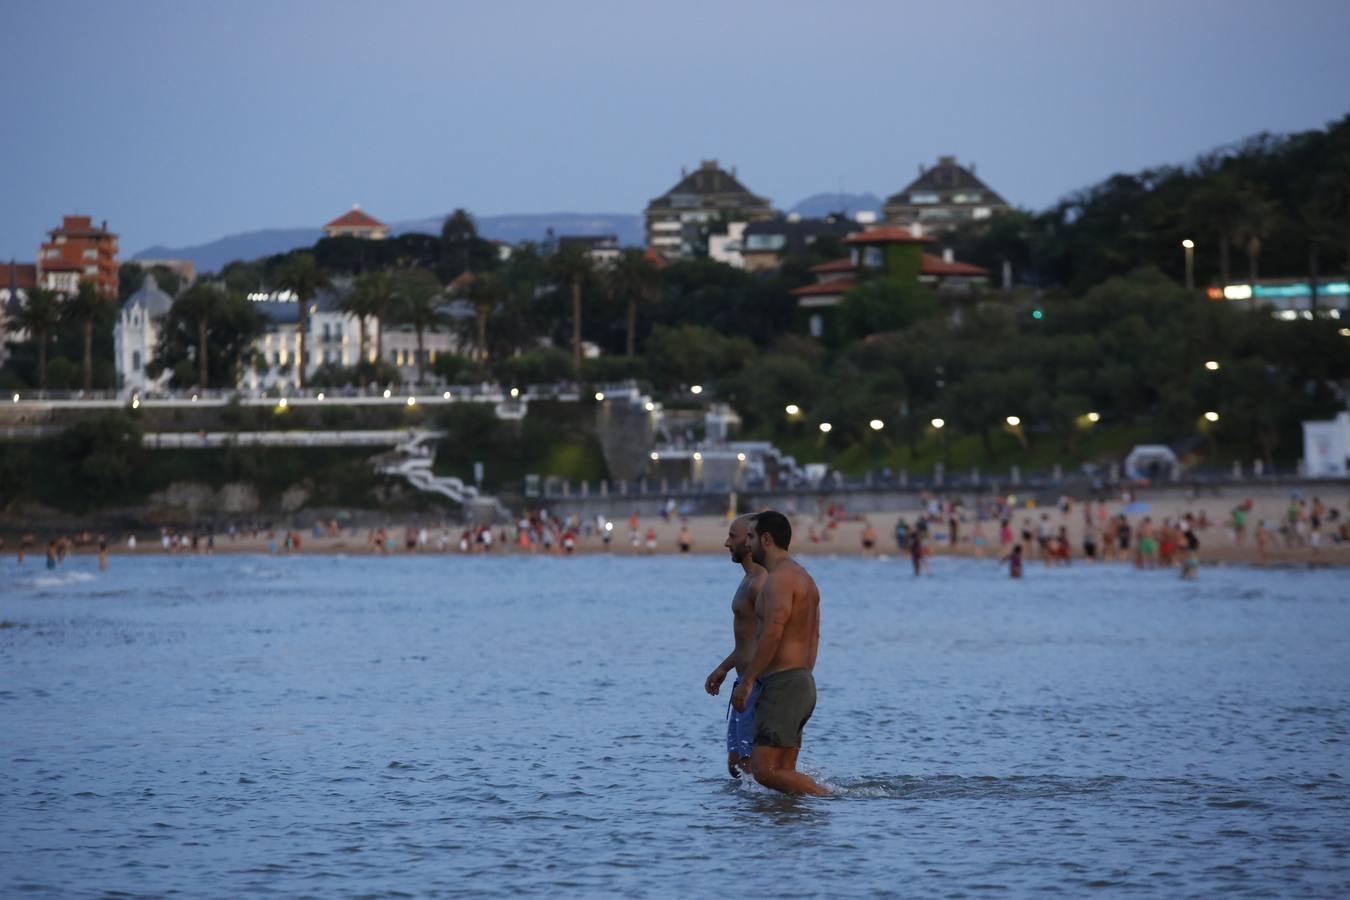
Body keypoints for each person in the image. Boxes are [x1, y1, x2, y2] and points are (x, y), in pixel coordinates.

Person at [731, 511, 827, 796]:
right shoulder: (803, 577)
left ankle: (832, 800)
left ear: (766, 539)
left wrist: (748, 680)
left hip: (784, 685)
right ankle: (788, 826)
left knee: (765, 771)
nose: (747, 545)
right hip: (799, 682)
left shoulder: (779, 580)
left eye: (750, 537)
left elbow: (772, 633)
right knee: (783, 774)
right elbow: (815, 635)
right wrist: (801, 676)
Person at [704, 516, 768, 778]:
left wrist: (752, 680)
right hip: (744, 679)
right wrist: (724, 668)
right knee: (736, 762)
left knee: (749, 760)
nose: (726, 543)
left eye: (733, 536)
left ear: (751, 539)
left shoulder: (761, 582)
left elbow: (771, 636)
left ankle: (785, 804)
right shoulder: (748, 579)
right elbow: (748, 639)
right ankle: (748, 815)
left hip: (756, 681)